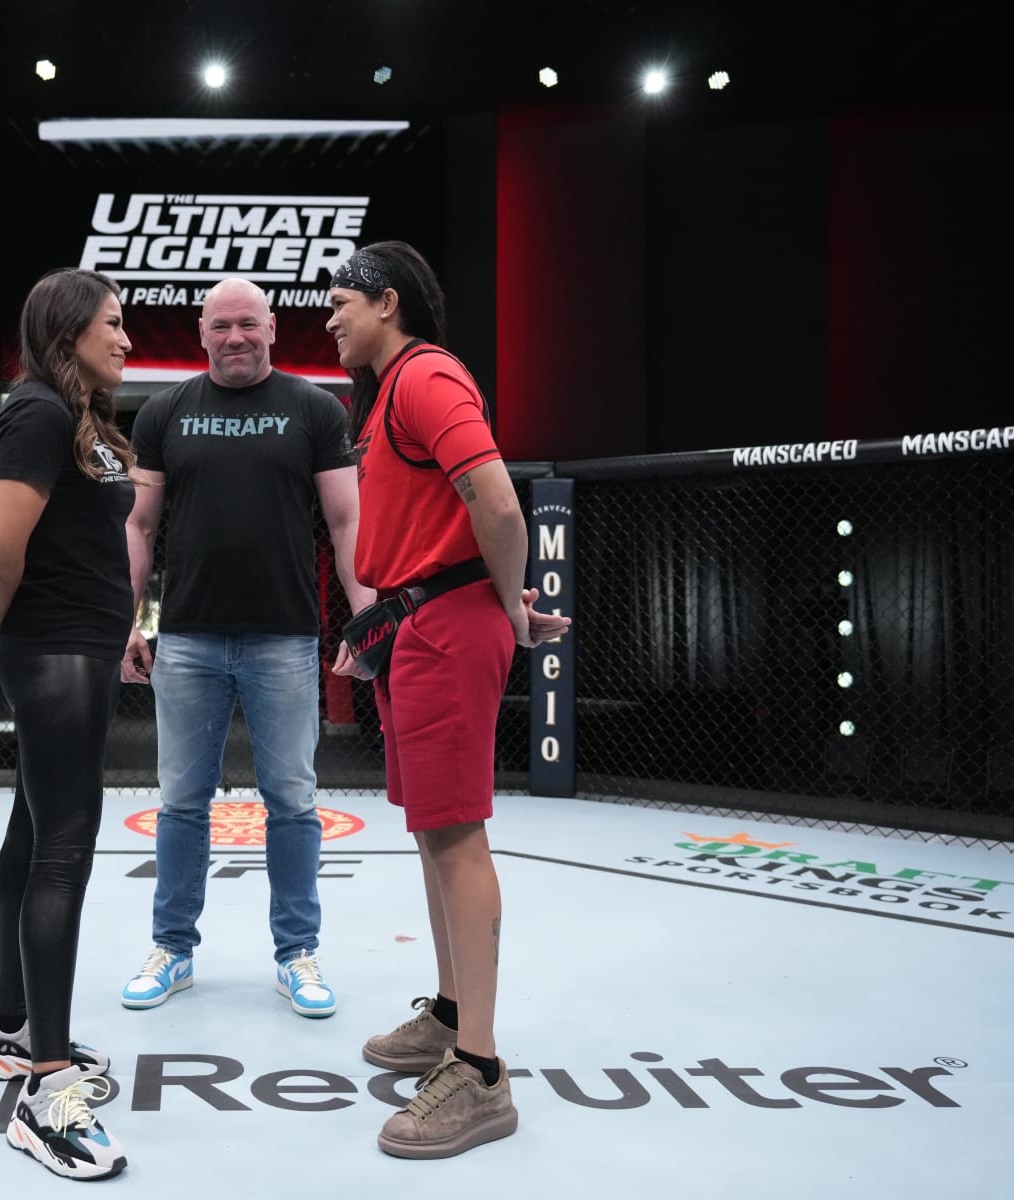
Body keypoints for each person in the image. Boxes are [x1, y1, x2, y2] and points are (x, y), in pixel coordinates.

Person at [324, 241, 571, 1159]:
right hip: (415, 627)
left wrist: (505, 605)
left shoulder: (426, 377)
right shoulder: (388, 393)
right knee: (434, 831)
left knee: (457, 836)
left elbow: (500, 509)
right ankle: (453, 1012)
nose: (331, 319)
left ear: (388, 303)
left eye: (341, 303)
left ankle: (481, 1073)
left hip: (446, 626)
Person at [117, 277, 378, 1018]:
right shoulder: (165, 412)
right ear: (201, 333)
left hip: (284, 638)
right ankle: (173, 948)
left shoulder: (315, 410)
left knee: (292, 801)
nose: (236, 337)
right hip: (189, 639)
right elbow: (137, 529)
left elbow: (347, 520)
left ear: (273, 330)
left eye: (249, 325)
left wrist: (361, 616)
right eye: (222, 326)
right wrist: (124, 620)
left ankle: (297, 954)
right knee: (181, 802)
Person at [0, 266, 138, 1182]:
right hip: (56, 645)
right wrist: (2, 634)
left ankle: (11, 1032)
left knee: (32, 831)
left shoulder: (87, 421)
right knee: (64, 845)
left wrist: (122, 634)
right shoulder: (34, 413)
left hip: (85, 646)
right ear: (68, 333)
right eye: (113, 324)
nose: (128, 340)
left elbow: (91, 542)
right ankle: (47, 1090)